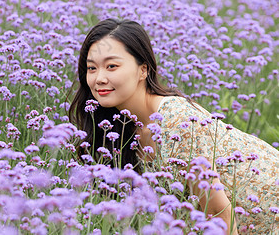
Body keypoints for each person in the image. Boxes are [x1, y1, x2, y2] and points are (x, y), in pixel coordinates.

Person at [69, 18, 279, 234]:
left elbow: (220, 216)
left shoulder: (179, 123)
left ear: (143, 70)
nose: (99, 78)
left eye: (112, 66)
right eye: (91, 68)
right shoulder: (119, 128)